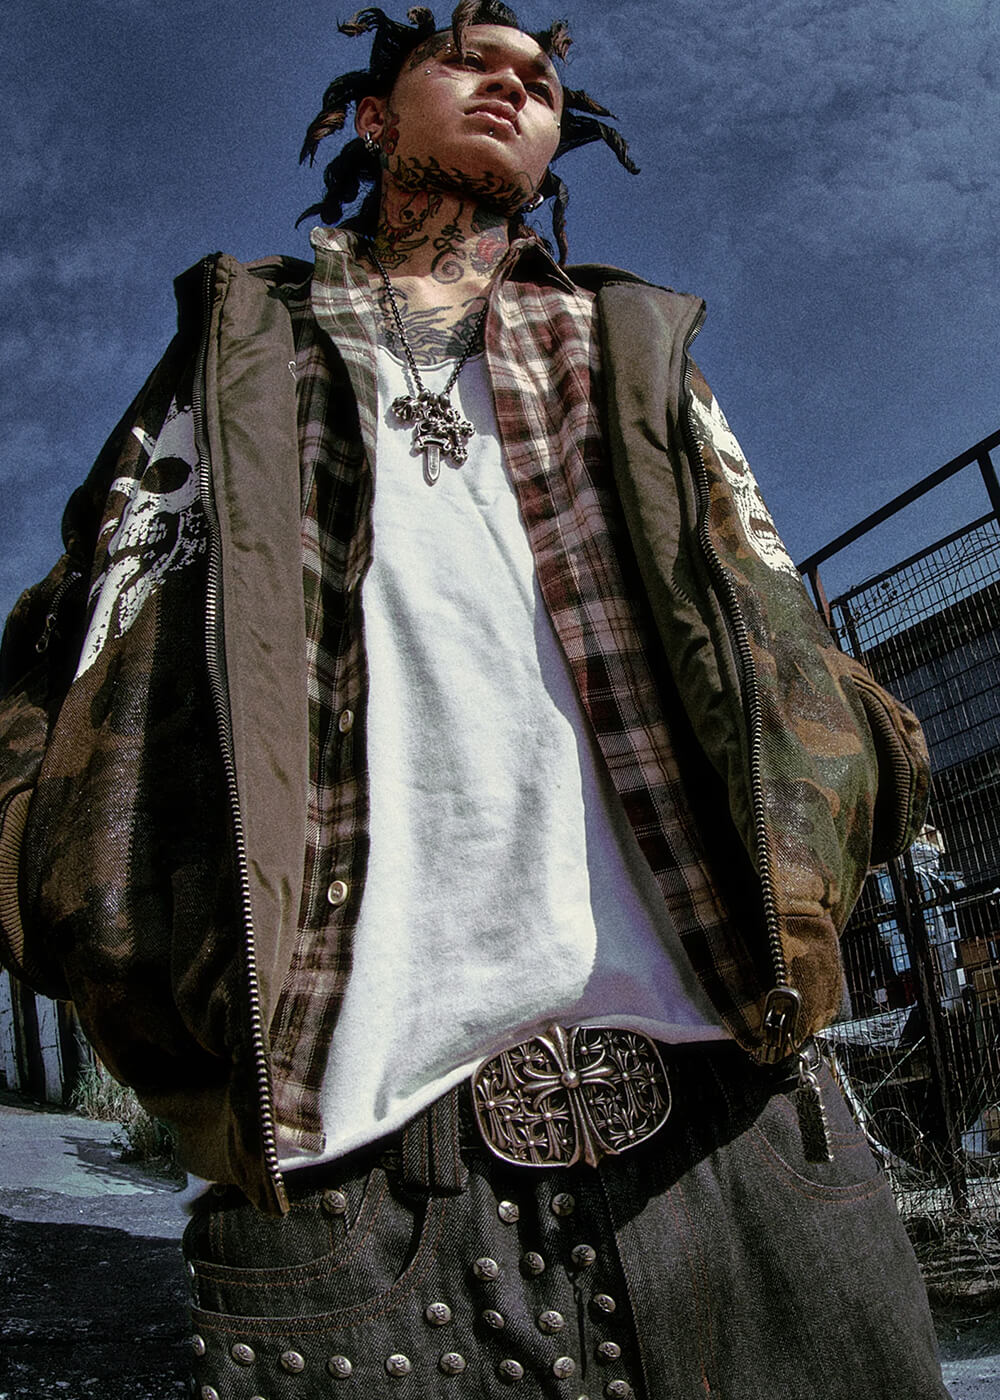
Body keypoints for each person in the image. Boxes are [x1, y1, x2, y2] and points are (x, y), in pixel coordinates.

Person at [0, 4, 948, 1397]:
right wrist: (116, 946)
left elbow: (773, 625)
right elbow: (80, 656)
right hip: (354, 1192)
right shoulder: (239, 349)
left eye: (543, 80)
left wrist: (838, 811)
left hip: (748, 1131)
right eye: (469, 59)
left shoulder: (632, 352)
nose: (514, 82)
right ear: (370, 117)